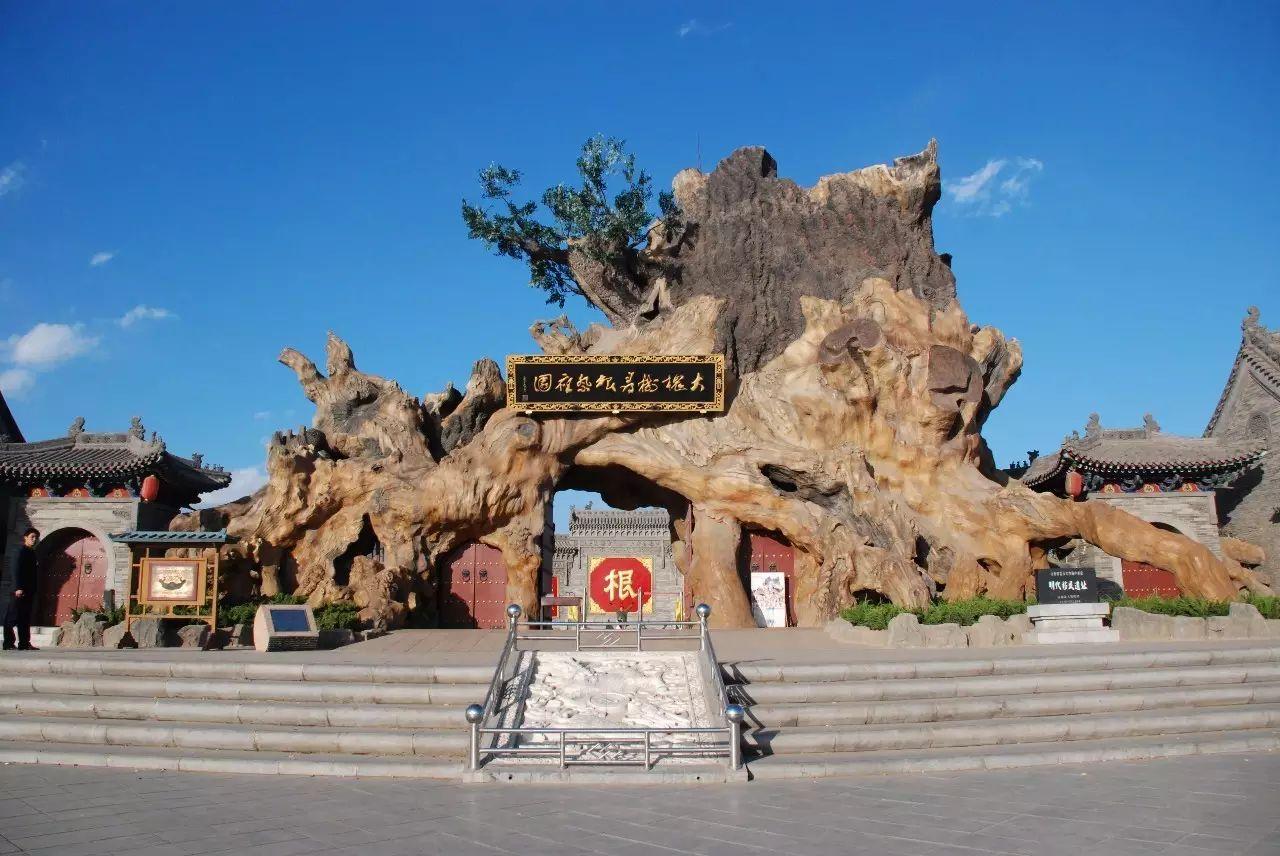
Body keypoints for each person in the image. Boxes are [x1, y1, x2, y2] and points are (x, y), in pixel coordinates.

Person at [3, 528, 40, 651]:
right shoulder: (19, 551)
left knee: (25, 618)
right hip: (18, 591)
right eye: (32, 537)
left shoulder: (32, 553)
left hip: (29, 591)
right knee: (12, 617)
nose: (34, 540)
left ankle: (24, 643)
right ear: (25, 537)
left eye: (36, 538)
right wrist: (17, 587)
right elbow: (15, 570)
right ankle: (8, 643)